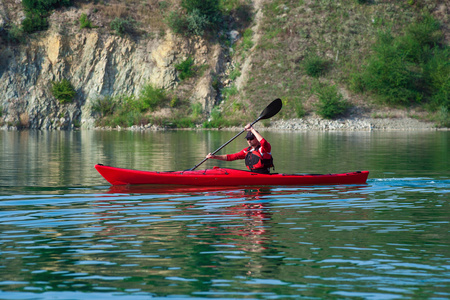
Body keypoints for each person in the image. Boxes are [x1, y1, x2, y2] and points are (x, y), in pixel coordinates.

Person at [206, 124, 274, 174]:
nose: (249, 141)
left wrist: (252, 130)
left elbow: (263, 142)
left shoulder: (265, 148)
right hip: (253, 174)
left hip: (264, 175)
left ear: (256, 138)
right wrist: (214, 157)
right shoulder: (247, 151)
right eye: (247, 139)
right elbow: (231, 157)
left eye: (251, 138)